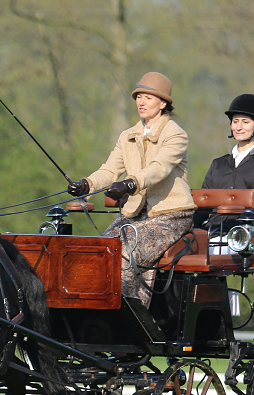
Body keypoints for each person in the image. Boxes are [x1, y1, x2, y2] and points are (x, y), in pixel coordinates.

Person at [66, 71, 195, 307]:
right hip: (136, 215)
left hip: (172, 215)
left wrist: (130, 183)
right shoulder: (127, 136)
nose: (141, 102)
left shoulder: (175, 134)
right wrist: (87, 184)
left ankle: (127, 316)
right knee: (99, 252)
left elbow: (159, 168)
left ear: (163, 103)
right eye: (138, 97)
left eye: (148, 97)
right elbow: (109, 170)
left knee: (126, 252)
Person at [192, 94, 254, 238]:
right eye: (235, 121)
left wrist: (244, 221)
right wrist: (191, 227)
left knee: (217, 250)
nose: (238, 127)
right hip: (212, 229)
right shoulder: (218, 164)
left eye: (245, 122)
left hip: (245, 232)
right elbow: (205, 203)